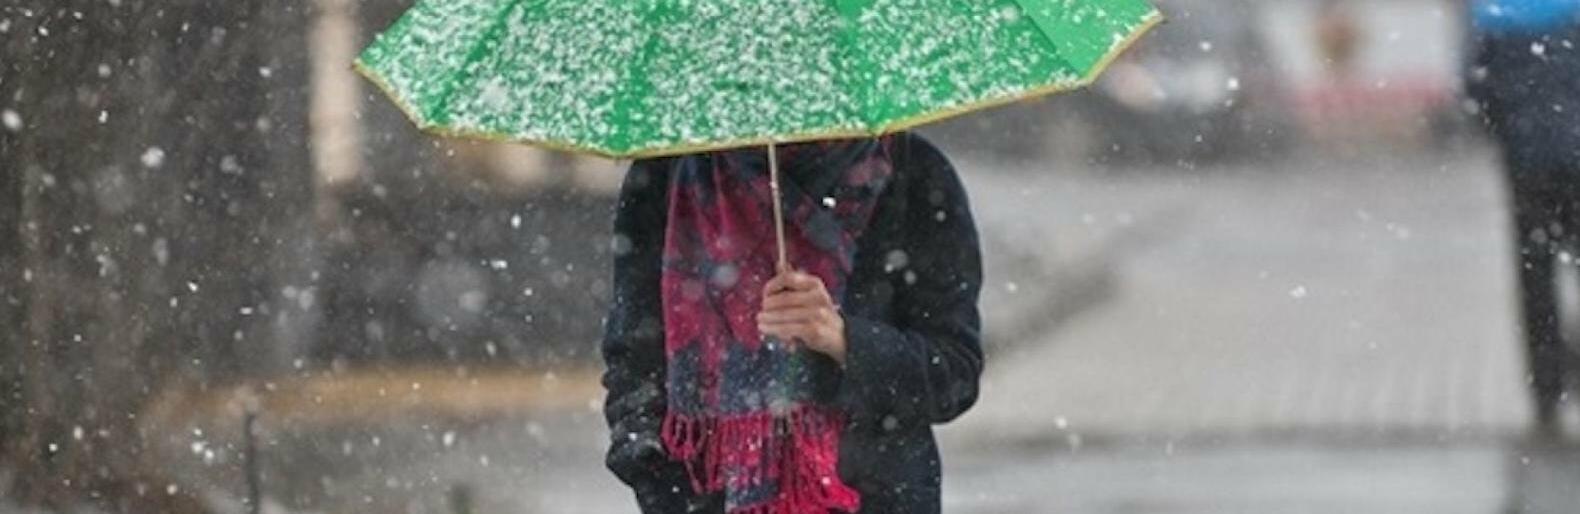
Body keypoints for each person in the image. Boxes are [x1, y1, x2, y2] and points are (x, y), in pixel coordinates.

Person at [600, 133, 983, 513]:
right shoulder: (667, 171)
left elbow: (954, 372)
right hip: (707, 498)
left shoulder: (913, 171)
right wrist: (656, 476)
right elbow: (633, 359)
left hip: (872, 499)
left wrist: (844, 340)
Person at [1465, 0, 1580, 429]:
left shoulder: (1497, 15)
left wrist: (1511, 133)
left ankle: (1547, 390)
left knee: (1536, 277)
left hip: (1527, 166)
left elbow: (1476, 93)